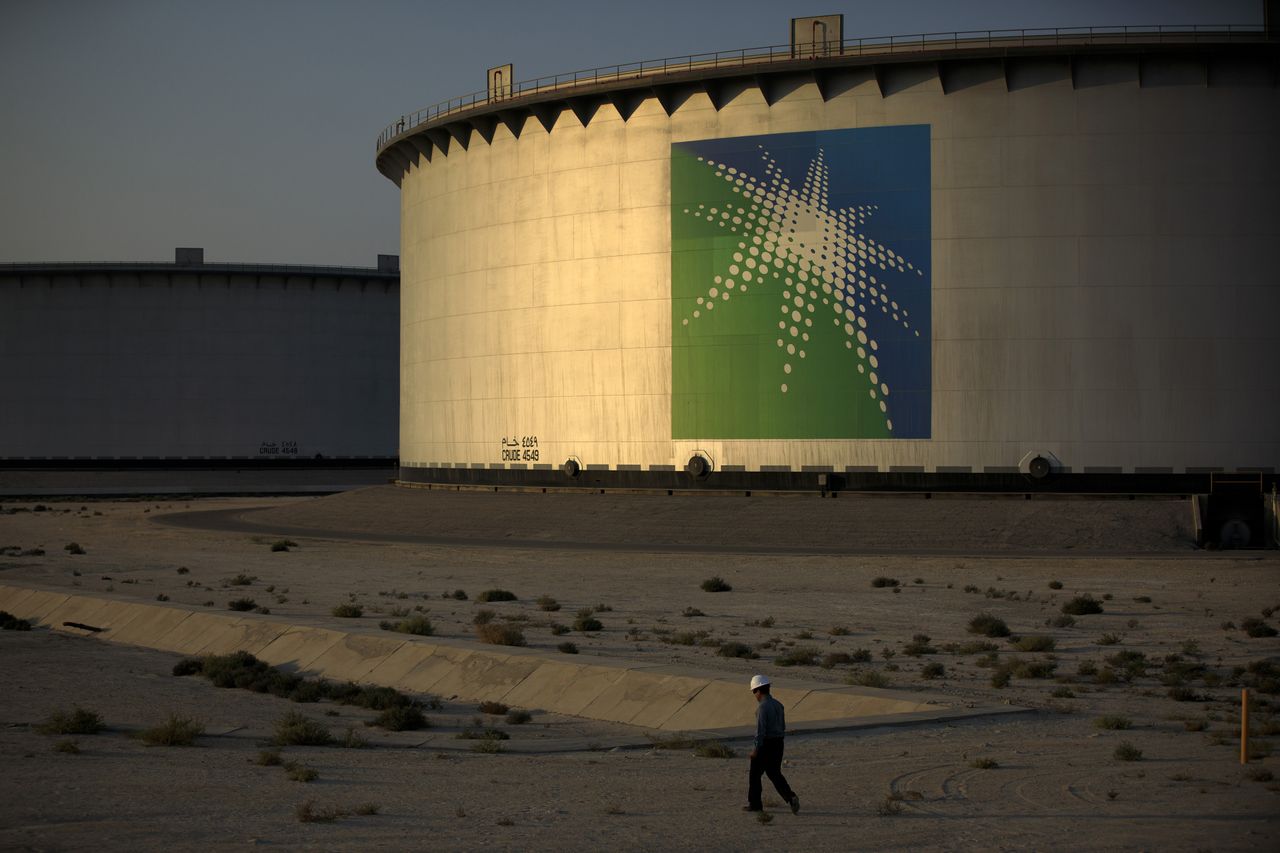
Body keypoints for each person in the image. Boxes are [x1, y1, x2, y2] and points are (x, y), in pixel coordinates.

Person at [744, 674, 799, 814]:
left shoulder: (762, 708)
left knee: (755, 775)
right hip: (779, 743)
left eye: (753, 692)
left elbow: (760, 732)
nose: (754, 695)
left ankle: (755, 804)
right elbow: (783, 726)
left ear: (758, 691)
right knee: (774, 773)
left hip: (765, 744)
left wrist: (756, 749)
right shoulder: (779, 705)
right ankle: (790, 796)